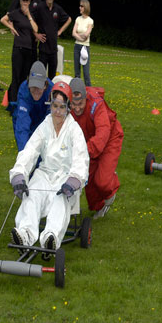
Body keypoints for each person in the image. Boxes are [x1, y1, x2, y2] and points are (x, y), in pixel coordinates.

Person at [9, 81, 89, 253]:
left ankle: (50, 237)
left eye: (61, 107)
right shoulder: (44, 125)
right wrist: (19, 175)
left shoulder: (74, 130)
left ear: (68, 108)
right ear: (50, 105)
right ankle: (25, 233)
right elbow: (30, 151)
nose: (57, 111)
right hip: (44, 173)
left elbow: (81, 159)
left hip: (65, 178)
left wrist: (73, 181)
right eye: (54, 106)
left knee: (60, 201)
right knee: (31, 193)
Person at [69, 77, 124, 219]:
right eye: (73, 104)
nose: (76, 108)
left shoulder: (96, 104)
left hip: (110, 139)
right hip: (89, 143)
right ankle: (99, 207)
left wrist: (83, 151)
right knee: (87, 181)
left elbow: (103, 132)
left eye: (80, 103)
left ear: (85, 98)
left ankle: (111, 188)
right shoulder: (68, 107)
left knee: (102, 182)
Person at [0, 0, 39, 106]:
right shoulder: (15, 13)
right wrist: (11, 27)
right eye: (23, 0)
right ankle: (12, 102)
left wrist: (29, 16)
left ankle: (21, 101)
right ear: (20, 1)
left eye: (27, 0)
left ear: (29, 2)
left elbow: (36, 30)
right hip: (18, 48)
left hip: (28, 49)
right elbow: (3, 19)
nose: (25, 3)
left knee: (24, 77)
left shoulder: (30, 15)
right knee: (16, 76)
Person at [13, 61, 53, 151]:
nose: (36, 90)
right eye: (33, 86)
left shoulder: (52, 92)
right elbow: (22, 125)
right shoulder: (23, 90)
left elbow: (51, 122)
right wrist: (24, 154)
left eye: (39, 87)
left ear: (45, 85)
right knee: (25, 150)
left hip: (43, 119)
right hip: (26, 119)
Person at [34, 0, 71, 79]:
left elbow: (69, 19)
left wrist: (60, 31)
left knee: (52, 76)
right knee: (41, 74)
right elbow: (31, 20)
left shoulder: (58, 9)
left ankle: (50, 93)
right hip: (43, 48)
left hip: (53, 49)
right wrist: (36, 34)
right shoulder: (40, 7)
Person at [8, 0, 41, 64]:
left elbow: (39, 19)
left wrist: (37, 34)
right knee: (19, 67)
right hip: (21, 39)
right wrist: (12, 28)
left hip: (32, 39)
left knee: (31, 66)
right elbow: (9, 14)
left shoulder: (37, 0)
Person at [72, 0, 94, 86]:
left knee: (86, 73)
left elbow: (87, 34)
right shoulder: (77, 19)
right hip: (77, 46)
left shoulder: (90, 21)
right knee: (77, 72)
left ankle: (89, 91)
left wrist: (79, 36)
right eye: (79, 6)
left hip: (85, 47)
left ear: (86, 7)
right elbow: (73, 33)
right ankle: (77, 90)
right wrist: (81, 38)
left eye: (81, 6)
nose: (80, 7)